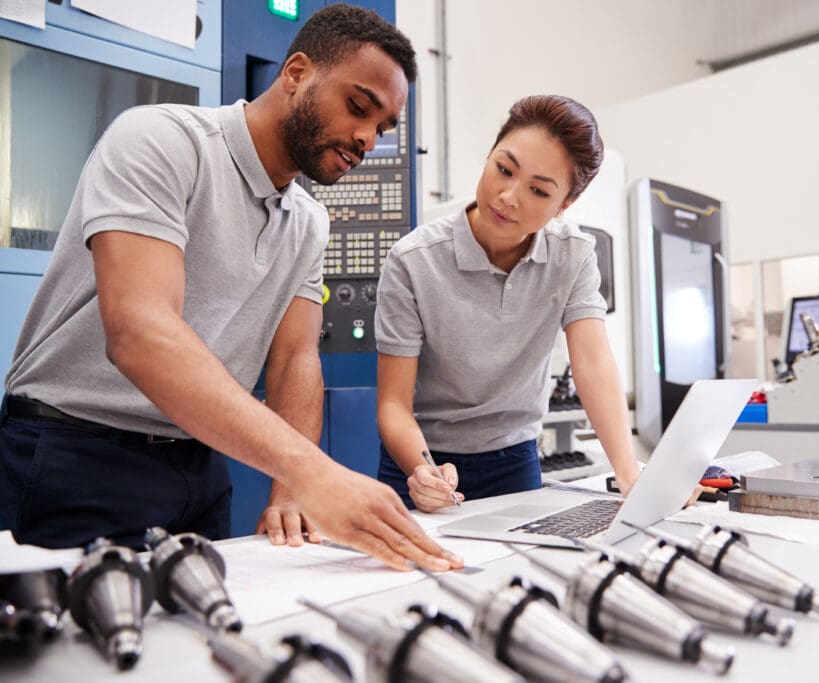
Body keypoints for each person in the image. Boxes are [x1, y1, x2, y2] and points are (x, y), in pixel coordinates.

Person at [0, 4, 460, 572]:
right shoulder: (162, 141)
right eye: (358, 107)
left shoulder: (308, 222)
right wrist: (312, 472)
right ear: (295, 73)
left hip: (198, 469)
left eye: (382, 127)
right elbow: (140, 332)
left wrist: (289, 490)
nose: (367, 137)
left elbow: (296, 359)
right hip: (74, 455)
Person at [375, 95, 642, 512]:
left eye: (538, 190)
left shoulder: (572, 256)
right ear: (489, 157)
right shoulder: (414, 259)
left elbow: (592, 361)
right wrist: (423, 469)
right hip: (422, 459)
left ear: (564, 205)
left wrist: (628, 472)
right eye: (504, 169)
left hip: (515, 461)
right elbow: (393, 403)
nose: (509, 196)